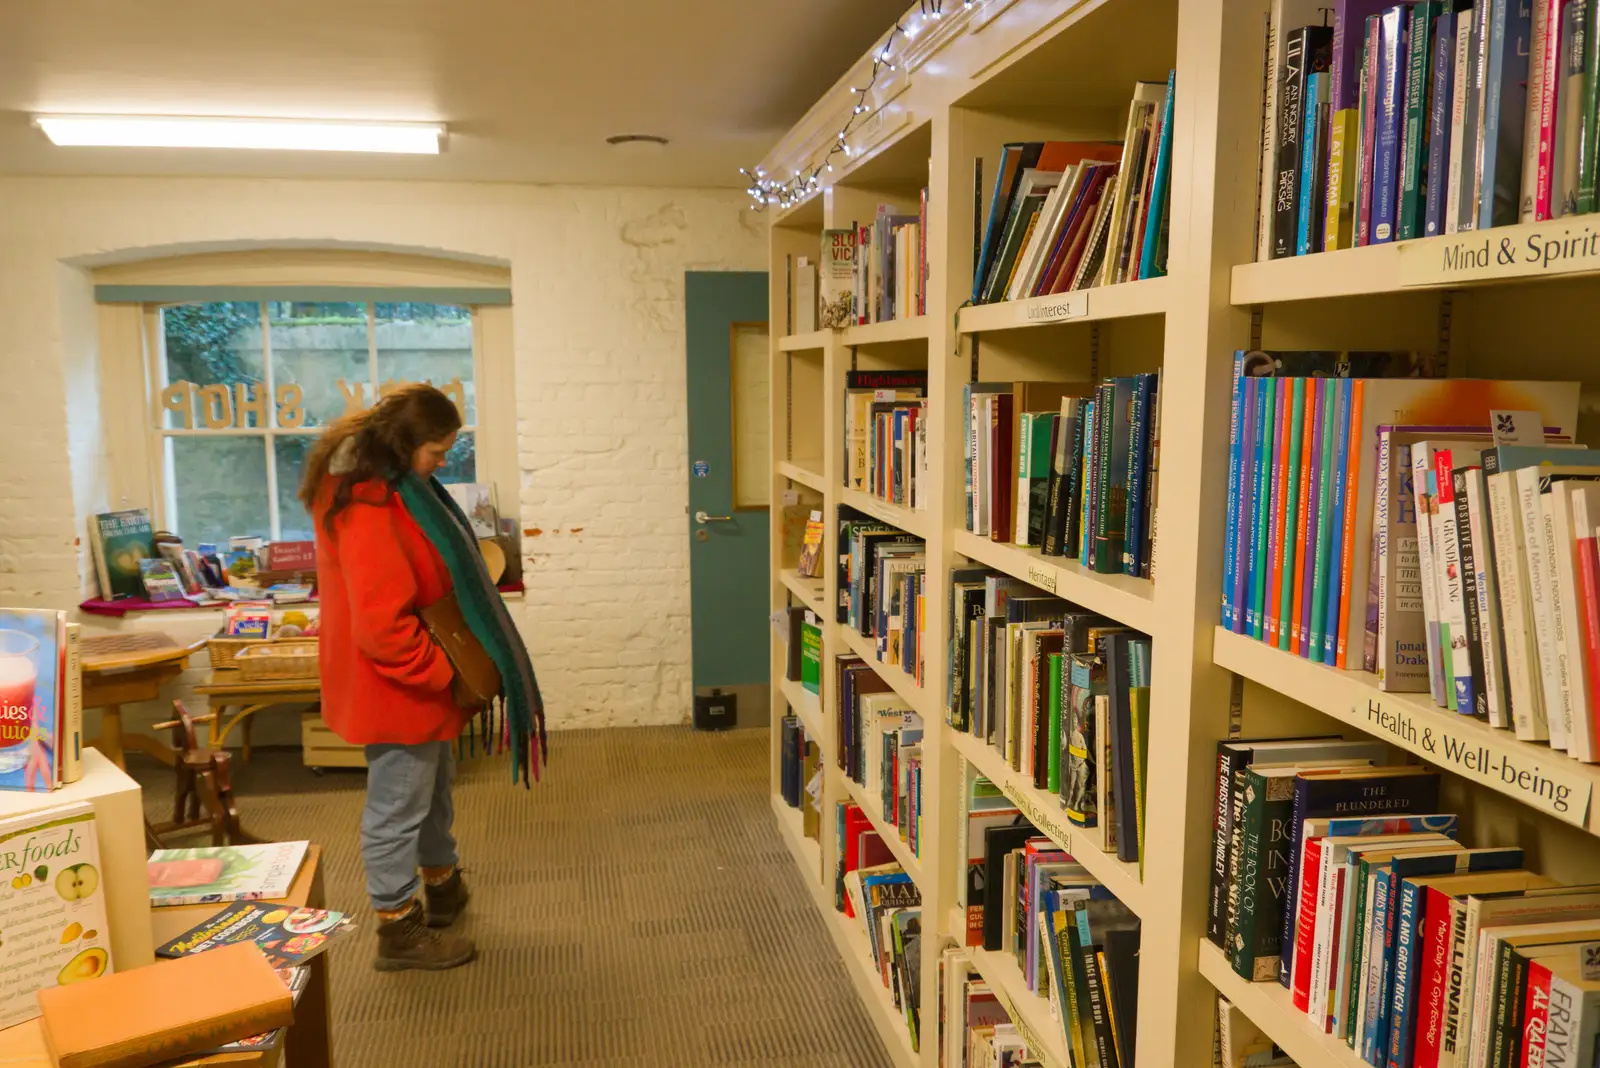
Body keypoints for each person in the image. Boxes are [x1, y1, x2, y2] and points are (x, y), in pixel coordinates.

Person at [298, 383, 545, 972]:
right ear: (403, 442)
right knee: (397, 805)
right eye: (437, 451)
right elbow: (382, 627)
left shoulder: (397, 489)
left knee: (432, 788)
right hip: (399, 683)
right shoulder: (367, 505)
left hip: (412, 681)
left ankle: (441, 884)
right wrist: (440, 674)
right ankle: (398, 929)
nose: (443, 462)